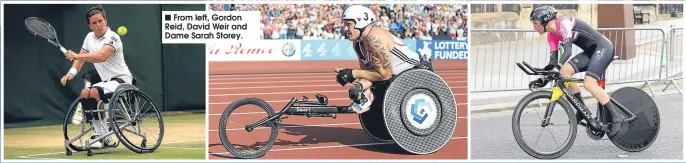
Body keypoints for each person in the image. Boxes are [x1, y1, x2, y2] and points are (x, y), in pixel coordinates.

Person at [528, 5, 628, 136]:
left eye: (535, 23)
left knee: (589, 83)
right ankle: (582, 110)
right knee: (565, 72)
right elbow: (553, 63)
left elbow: (568, 51)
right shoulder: (551, 36)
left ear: (545, 20)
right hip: (590, 52)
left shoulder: (564, 24)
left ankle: (616, 117)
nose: (534, 27)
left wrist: (557, 67)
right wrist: (542, 79)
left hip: (603, 48)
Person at [60, 4, 134, 148]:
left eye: (100, 21)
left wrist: (76, 54)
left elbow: (102, 56)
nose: (98, 25)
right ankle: (101, 134)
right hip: (106, 83)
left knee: (93, 91)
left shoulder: (113, 37)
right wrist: (71, 73)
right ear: (90, 26)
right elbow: (80, 60)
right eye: (94, 23)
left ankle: (103, 136)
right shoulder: (89, 38)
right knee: (84, 93)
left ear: (105, 21)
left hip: (122, 80)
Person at [335, 5, 432, 113]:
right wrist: (360, 87)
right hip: (396, 76)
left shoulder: (374, 38)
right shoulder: (357, 43)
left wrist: (352, 74)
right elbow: (367, 72)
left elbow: (385, 74)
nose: (345, 29)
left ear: (360, 23)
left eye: (348, 25)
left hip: (416, 72)